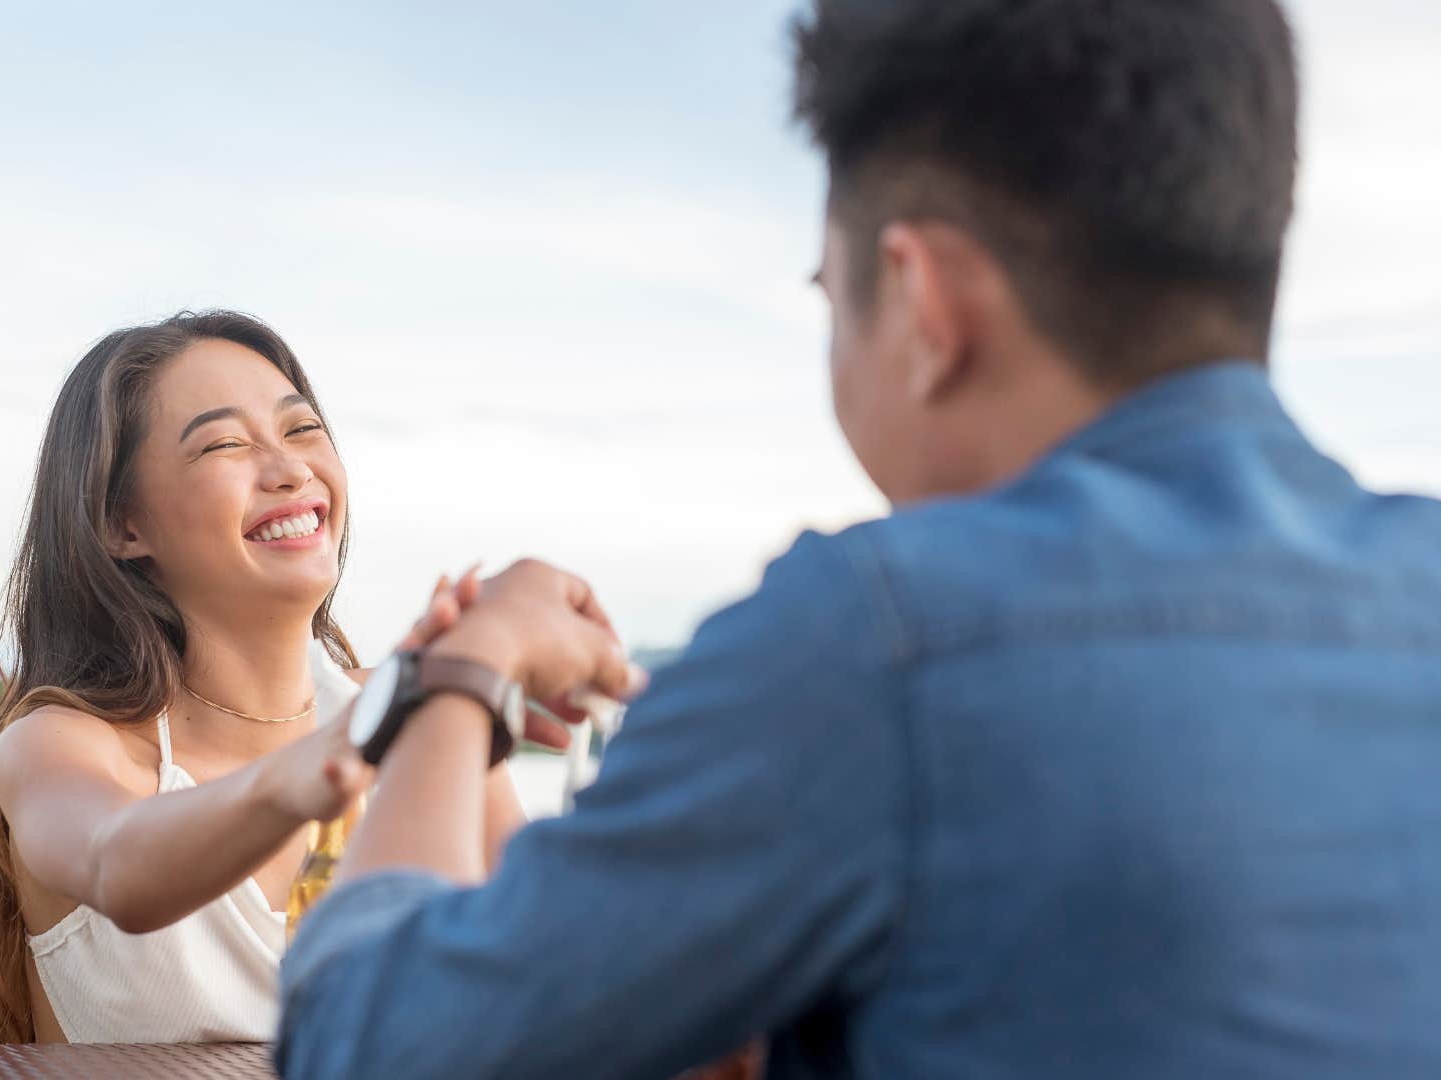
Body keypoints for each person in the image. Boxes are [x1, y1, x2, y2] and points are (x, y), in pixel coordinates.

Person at [275, 1, 1441, 1077]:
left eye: (827, 293)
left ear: (924, 301)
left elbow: (362, 1041)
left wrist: (461, 682)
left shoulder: (880, 638)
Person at [0, 310, 561, 1043]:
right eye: (225, 444)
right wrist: (334, 754)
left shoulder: (428, 711)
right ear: (121, 524)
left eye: (302, 430)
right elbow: (118, 866)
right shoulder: (62, 747)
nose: (291, 469)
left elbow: (548, 972)